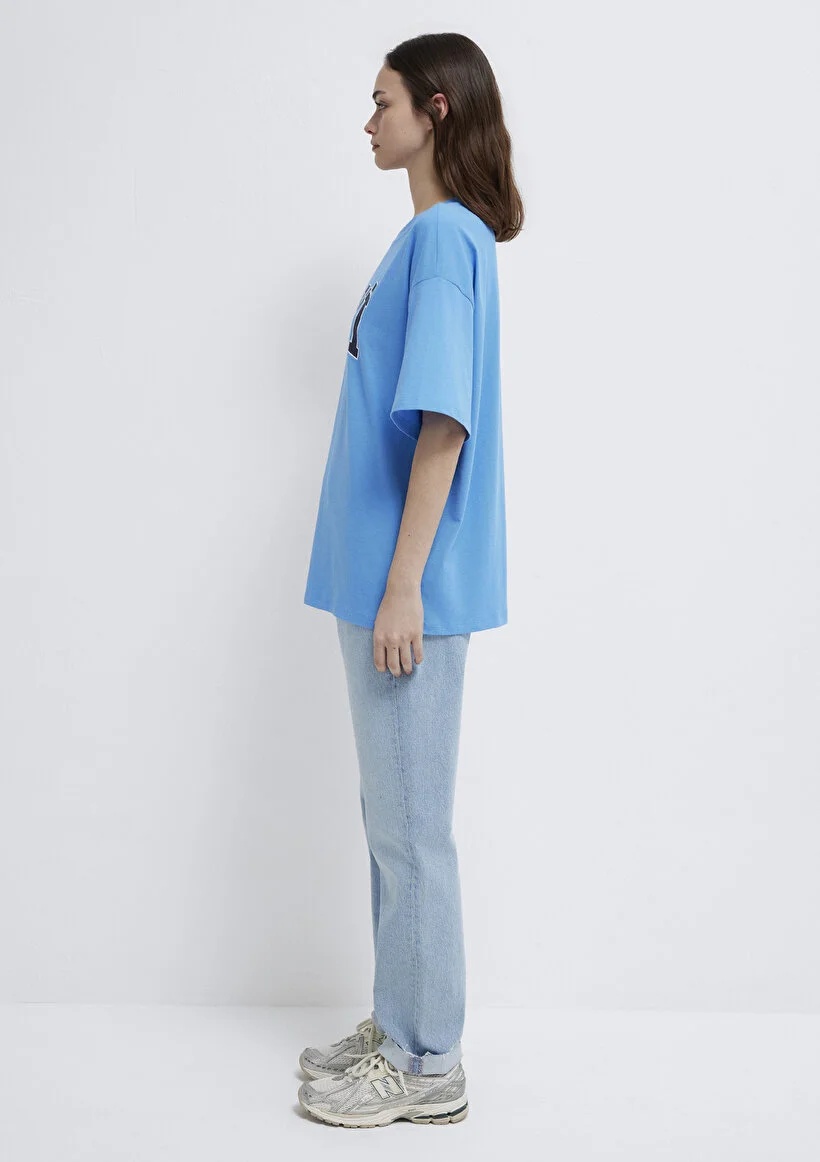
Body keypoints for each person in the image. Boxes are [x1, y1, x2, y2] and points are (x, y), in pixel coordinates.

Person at [297, 31, 524, 1129]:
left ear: (435, 109)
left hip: (406, 590)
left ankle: (428, 1060)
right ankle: (400, 1022)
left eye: (382, 100)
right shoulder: (430, 238)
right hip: (382, 580)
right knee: (390, 816)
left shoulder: (442, 238)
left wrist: (404, 586)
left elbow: (443, 421)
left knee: (411, 826)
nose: (368, 120)